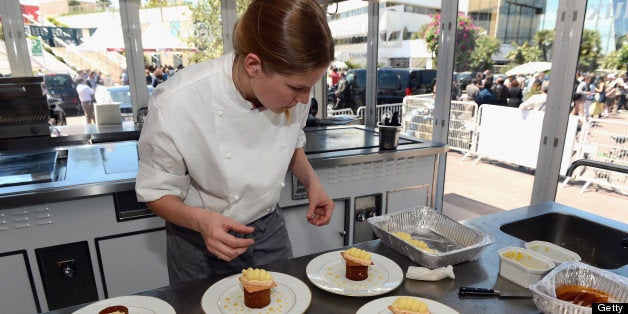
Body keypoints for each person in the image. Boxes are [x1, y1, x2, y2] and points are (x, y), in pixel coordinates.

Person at [135, 0, 335, 285]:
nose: (305, 99)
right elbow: (156, 191)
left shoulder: (295, 95)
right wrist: (202, 222)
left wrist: (312, 183)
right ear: (254, 65)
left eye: (310, 86)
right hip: (198, 239)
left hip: (268, 229)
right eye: (297, 87)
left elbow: (290, 142)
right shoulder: (178, 101)